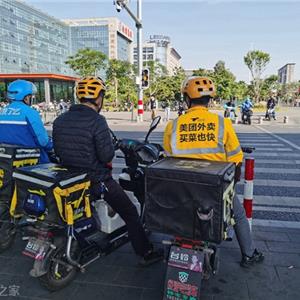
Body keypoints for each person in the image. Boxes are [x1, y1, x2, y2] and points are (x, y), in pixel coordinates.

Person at [52, 76, 163, 266]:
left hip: (69, 179)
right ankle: (145, 253)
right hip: (96, 180)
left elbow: (59, 150)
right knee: (129, 212)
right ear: (99, 98)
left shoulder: (60, 119)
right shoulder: (97, 120)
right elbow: (106, 156)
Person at [163, 76, 264, 268]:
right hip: (215, 189)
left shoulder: (173, 126)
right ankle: (249, 255)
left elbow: (168, 159)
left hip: (183, 187)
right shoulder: (222, 123)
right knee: (239, 215)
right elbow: (236, 158)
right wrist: (232, 185)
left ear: (187, 99)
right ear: (209, 100)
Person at [0, 79, 52, 163]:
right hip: (30, 161)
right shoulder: (30, 112)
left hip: (5, 161)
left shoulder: (1, 112)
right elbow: (43, 142)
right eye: (31, 96)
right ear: (26, 97)